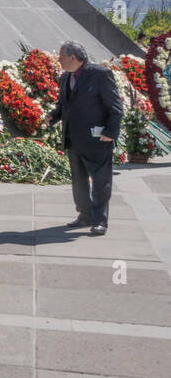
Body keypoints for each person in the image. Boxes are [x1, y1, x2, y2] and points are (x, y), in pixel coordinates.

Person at [48, 42, 124, 235]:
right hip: (73, 139)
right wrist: (54, 116)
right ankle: (85, 215)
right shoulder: (66, 77)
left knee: (100, 181)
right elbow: (64, 105)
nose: (59, 59)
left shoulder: (100, 74)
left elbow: (115, 107)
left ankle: (100, 221)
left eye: (61, 56)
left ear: (73, 58)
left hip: (98, 139)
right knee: (78, 180)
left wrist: (110, 132)